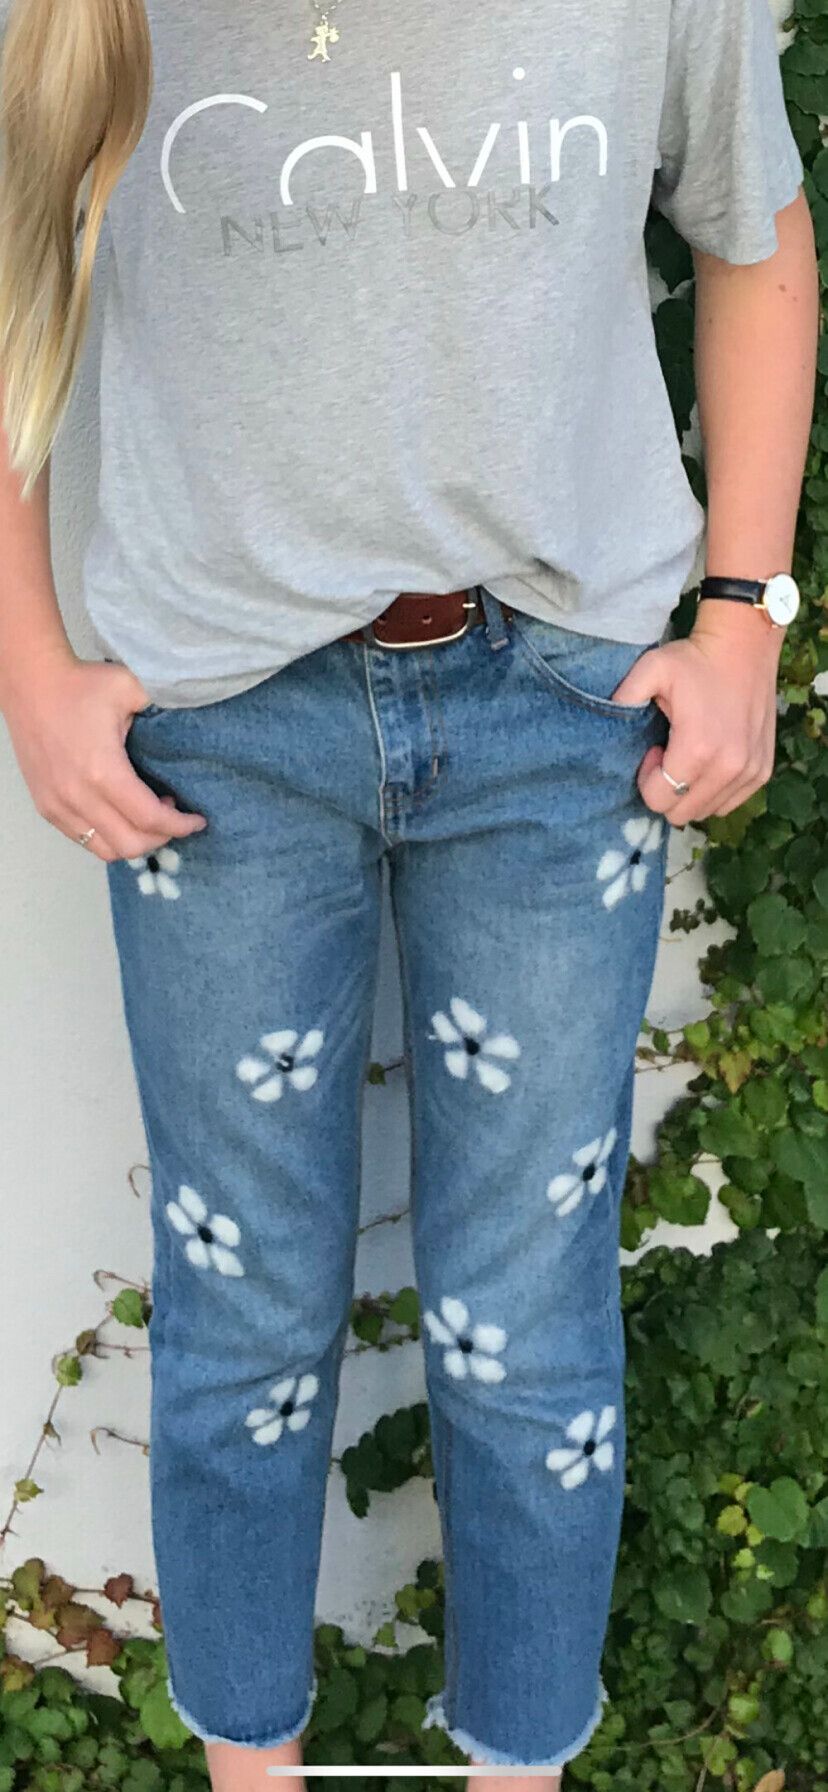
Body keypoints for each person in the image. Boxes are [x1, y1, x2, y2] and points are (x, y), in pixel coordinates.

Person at [0, 0, 819, 1787]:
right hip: (216, 723)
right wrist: (25, 661)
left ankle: (521, 1771)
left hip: (559, 709)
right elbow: (4, 259)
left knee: (529, 1322)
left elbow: (755, 235)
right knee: (240, 1309)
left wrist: (744, 617)